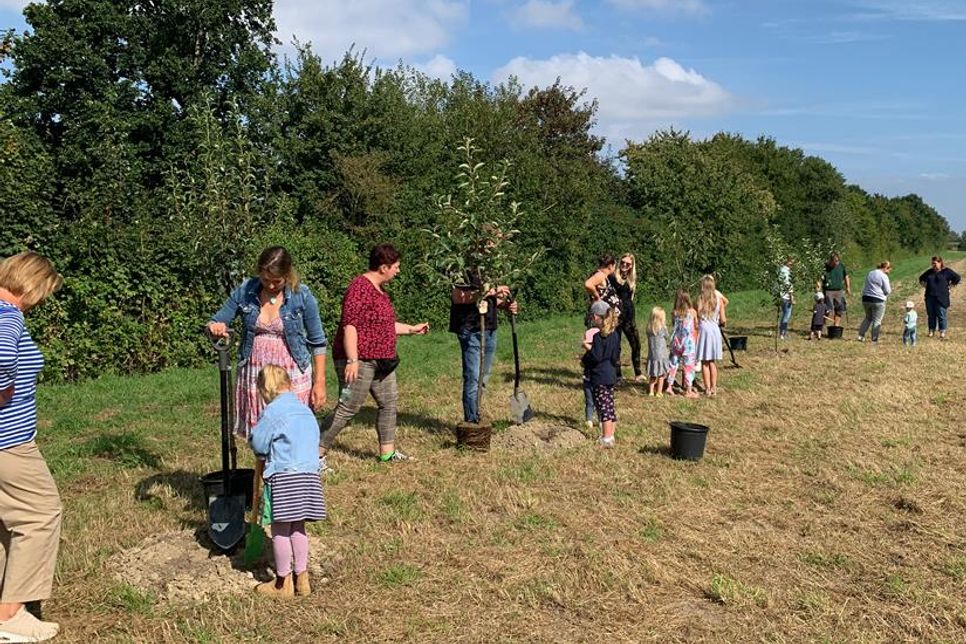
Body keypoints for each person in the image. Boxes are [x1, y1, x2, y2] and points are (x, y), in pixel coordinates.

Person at [0, 252, 64, 642]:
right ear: (33, 284)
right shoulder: (9, 315)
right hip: (8, 442)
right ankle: (10, 616)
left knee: (8, 521)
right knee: (40, 513)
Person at [320, 244, 429, 464]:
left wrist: (411, 329)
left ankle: (387, 453)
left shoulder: (380, 291)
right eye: (396, 266)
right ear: (383, 267)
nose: (398, 270)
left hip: (382, 361)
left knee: (389, 403)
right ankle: (314, 454)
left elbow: (384, 326)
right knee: (348, 407)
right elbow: (350, 326)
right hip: (361, 360)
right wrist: (352, 360)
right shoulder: (359, 288)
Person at [207, 247, 328, 440]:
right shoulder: (246, 291)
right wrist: (216, 327)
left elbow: (318, 342)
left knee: (292, 432)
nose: (271, 286)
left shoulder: (302, 295)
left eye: (277, 281)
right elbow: (217, 320)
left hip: (291, 373)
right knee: (261, 435)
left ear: (287, 275)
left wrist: (320, 382)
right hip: (256, 373)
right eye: (265, 280)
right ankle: (262, 460)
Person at [250, 365, 325, 598]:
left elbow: (259, 443)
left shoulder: (273, 412)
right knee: (298, 526)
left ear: (265, 389)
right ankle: (302, 579)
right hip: (309, 475)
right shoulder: (305, 410)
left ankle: (282, 583)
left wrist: (260, 449)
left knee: (280, 529)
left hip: (286, 477)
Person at [449, 272, 518, 426]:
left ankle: (477, 413)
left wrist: (507, 305)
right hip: (470, 330)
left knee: (483, 378)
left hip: (490, 329)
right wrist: (491, 291)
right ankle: (471, 422)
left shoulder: (492, 267)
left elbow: (493, 300)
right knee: (473, 378)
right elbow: (458, 297)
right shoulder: (463, 269)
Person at [581, 300, 621, 447]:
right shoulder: (615, 335)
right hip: (611, 375)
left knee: (603, 407)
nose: (592, 319)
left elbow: (596, 356)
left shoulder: (598, 337)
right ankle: (611, 435)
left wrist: (585, 357)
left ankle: (606, 437)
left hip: (600, 377)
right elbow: (615, 355)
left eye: (593, 316)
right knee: (609, 405)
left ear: (597, 317)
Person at [610, 254, 643, 381]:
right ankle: (618, 375)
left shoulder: (631, 279)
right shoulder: (613, 276)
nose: (624, 265)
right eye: (623, 262)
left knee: (636, 344)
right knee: (616, 346)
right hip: (616, 316)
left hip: (629, 316)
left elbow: (631, 296)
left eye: (628, 264)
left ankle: (638, 373)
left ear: (631, 266)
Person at [695, 275, 726, 397]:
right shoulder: (719, 300)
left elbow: (697, 315)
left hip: (704, 330)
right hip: (714, 330)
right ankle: (714, 387)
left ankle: (707, 388)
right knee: (712, 361)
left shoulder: (700, 298)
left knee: (705, 362)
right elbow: (723, 319)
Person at [665, 290, 699, 399]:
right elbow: (696, 325)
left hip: (676, 342)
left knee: (673, 364)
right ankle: (688, 390)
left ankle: (669, 386)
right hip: (688, 343)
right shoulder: (692, 312)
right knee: (688, 366)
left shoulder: (674, 312)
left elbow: (674, 325)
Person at [918, 256, 961, 339]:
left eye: (935, 263)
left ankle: (942, 331)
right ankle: (931, 331)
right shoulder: (929, 272)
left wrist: (950, 286)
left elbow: (957, 278)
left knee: (941, 315)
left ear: (940, 263)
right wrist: (926, 286)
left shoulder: (946, 271)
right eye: (932, 263)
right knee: (931, 315)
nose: (933, 265)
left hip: (941, 297)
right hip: (930, 297)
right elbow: (921, 279)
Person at [857, 261, 893, 343]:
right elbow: (887, 290)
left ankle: (860, 336)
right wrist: (885, 294)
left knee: (868, 318)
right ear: (886, 268)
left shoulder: (870, 273)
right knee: (877, 320)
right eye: (889, 269)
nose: (889, 271)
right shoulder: (884, 276)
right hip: (878, 300)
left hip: (866, 298)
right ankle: (874, 339)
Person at [584, 254, 621, 329]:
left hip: (605, 315)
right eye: (614, 266)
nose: (614, 269)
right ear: (610, 266)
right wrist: (597, 296)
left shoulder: (603, 275)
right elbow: (588, 284)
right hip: (602, 316)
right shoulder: (600, 275)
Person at [645, 307, 670, 397]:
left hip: (652, 355)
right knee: (661, 375)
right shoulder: (662, 328)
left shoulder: (649, 329)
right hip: (662, 355)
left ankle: (651, 391)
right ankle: (659, 392)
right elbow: (667, 336)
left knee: (653, 375)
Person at [822, 253, 851, 327]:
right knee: (827, 309)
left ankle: (836, 326)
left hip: (839, 290)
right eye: (835, 261)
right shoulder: (824, 267)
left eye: (838, 261)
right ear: (831, 260)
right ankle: (822, 324)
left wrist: (848, 287)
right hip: (828, 291)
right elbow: (818, 277)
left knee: (839, 309)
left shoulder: (841, 266)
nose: (837, 263)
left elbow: (846, 276)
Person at [580, 325, 599, 431]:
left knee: (591, 402)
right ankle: (591, 420)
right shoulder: (595, 355)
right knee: (594, 402)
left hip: (589, 380)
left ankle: (590, 419)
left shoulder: (588, 355)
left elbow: (582, 364)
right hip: (591, 380)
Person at [778, 257, 794, 340]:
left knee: (784, 314)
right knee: (786, 315)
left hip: (780, 295)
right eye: (792, 263)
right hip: (786, 296)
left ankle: (783, 332)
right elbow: (788, 285)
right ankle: (782, 334)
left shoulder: (780, 270)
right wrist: (791, 297)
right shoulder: (787, 272)